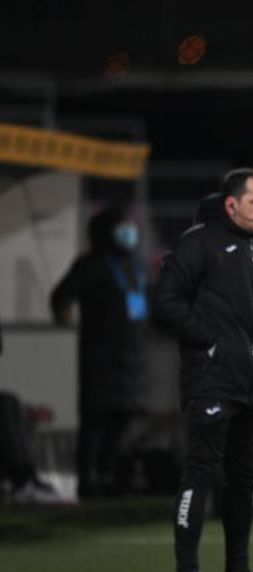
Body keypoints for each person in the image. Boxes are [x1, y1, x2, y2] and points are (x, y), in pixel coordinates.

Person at [152, 169, 253, 572]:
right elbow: (165, 303)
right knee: (200, 473)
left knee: (243, 481)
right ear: (232, 204)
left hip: (252, 387)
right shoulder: (199, 243)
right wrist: (211, 340)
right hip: (211, 382)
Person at [50, 203, 150, 500]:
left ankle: (108, 474)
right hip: (100, 355)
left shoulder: (136, 266)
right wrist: (64, 313)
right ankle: (87, 477)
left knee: (124, 417)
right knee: (96, 418)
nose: (129, 234)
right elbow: (62, 295)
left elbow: (153, 301)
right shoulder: (91, 265)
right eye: (122, 228)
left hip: (133, 356)